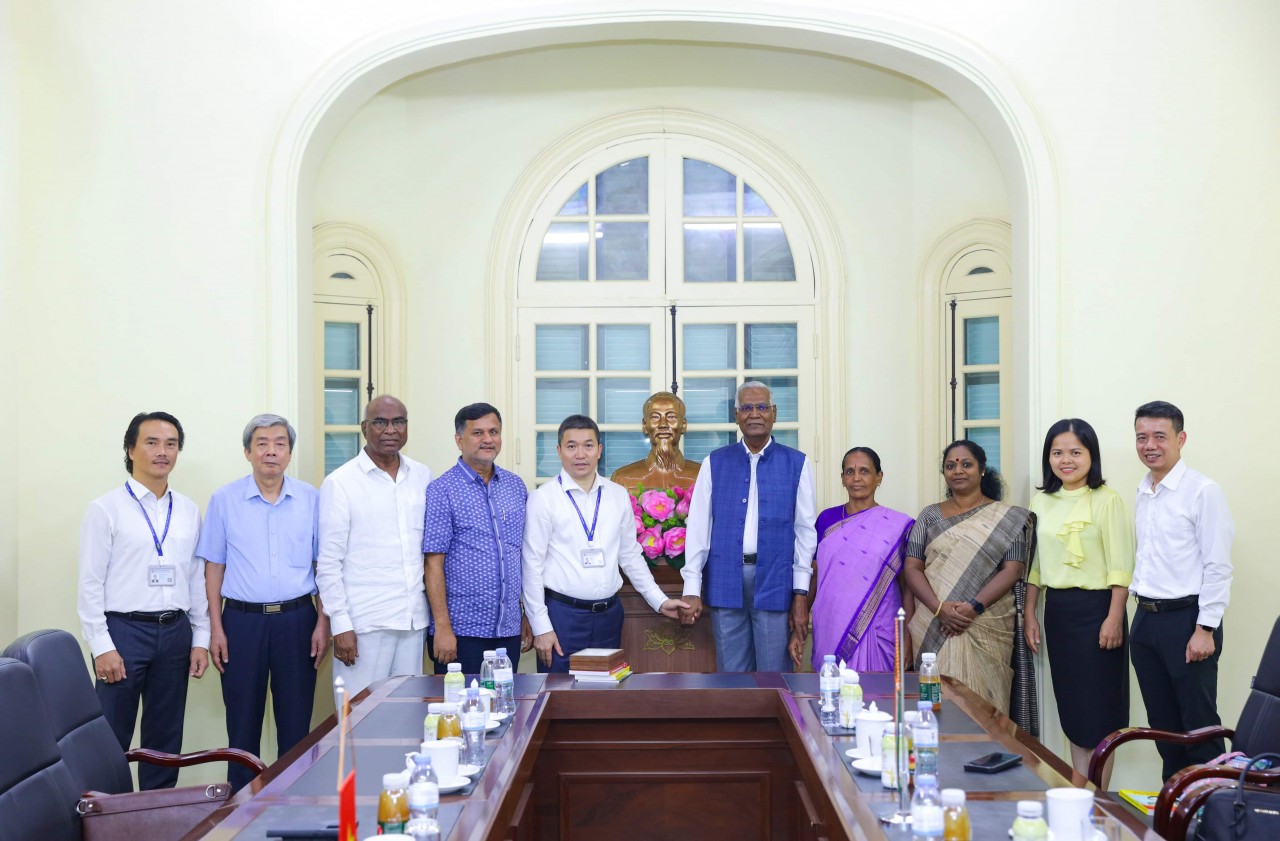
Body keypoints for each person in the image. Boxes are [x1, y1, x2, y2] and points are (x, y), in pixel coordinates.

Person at [76, 411, 209, 789]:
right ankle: (109, 816)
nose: (162, 451)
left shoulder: (187, 509)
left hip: (175, 632)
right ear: (131, 449)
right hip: (122, 632)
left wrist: (200, 638)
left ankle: (157, 816)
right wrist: (101, 646)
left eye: (171, 444)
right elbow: (89, 584)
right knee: (110, 737)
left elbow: (195, 578)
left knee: (165, 739)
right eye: (151, 442)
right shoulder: (106, 509)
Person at [197, 414, 327, 791]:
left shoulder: (311, 498)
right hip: (241, 623)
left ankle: (292, 811)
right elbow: (213, 568)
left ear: (289, 452)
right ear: (247, 452)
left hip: (298, 619)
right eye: (263, 443)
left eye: (280, 443)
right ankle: (240, 815)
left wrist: (323, 622)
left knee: (296, 724)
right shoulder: (224, 500)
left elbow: (323, 566)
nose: (271, 451)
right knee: (242, 725)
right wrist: (215, 628)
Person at [522, 415, 688, 672]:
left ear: (599, 450)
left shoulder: (617, 495)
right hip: (563, 617)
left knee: (604, 698)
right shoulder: (543, 499)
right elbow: (531, 565)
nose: (580, 454)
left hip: (610, 616)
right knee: (560, 698)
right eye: (571, 446)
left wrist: (659, 600)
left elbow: (630, 556)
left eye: (588, 445)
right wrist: (541, 626)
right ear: (559, 451)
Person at [1024, 419, 1134, 787]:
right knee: (1073, 710)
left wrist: (1114, 617)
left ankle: (1098, 803)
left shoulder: (1108, 500)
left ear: (1091, 455)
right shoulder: (1040, 501)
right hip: (1058, 613)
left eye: (1075, 452)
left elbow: (1121, 566)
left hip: (1100, 611)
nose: (1065, 460)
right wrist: (1029, 614)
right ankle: (1077, 793)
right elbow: (1035, 566)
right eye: (1058, 452)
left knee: (1100, 715)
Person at [1129, 400, 1234, 780]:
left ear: (1181, 438)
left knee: (1199, 726)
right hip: (1145, 622)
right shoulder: (1143, 491)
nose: (1150, 445)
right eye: (1142, 437)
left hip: (1189, 622)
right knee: (1164, 727)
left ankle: (1213, 815)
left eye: (1160, 436)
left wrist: (1205, 628)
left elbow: (1218, 565)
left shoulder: (1203, 491)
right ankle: (1175, 812)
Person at [681, 381, 816, 672]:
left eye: (762, 407)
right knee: (731, 676)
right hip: (725, 578)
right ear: (736, 415)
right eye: (747, 407)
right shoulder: (714, 463)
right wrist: (692, 586)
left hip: (774, 579)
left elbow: (805, 533)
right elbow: (699, 529)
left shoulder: (797, 463)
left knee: (773, 676)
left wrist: (800, 593)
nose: (754, 414)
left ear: (774, 413)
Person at [902, 439, 1032, 715]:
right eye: (951, 466)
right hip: (934, 621)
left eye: (966, 464)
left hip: (986, 622)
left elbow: (1013, 570)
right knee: (933, 704)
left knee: (986, 707)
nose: (958, 470)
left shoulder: (1007, 519)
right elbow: (912, 567)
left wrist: (973, 608)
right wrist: (940, 609)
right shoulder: (929, 516)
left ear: (982, 470)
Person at [315, 395, 432, 700]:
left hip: (412, 620)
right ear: (365, 427)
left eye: (399, 422)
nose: (390, 429)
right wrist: (340, 625)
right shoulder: (340, 483)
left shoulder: (422, 476)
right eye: (380, 422)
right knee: (358, 723)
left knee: (408, 717)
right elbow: (328, 563)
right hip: (363, 625)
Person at [423, 403, 532, 675]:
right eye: (478, 433)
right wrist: (443, 628)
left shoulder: (515, 485)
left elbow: (524, 556)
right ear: (459, 440)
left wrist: (526, 614)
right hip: (461, 632)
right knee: (462, 712)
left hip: (507, 629)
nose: (488, 439)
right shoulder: (442, 490)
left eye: (494, 431)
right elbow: (433, 564)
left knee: (505, 707)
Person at [790, 447, 914, 673]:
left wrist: (907, 633)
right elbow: (815, 575)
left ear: (879, 477)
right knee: (831, 697)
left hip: (879, 628)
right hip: (831, 626)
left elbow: (908, 586)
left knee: (879, 701)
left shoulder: (898, 526)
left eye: (865, 471)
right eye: (850, 471)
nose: (856, 478)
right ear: (842, 478)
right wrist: (798, 627)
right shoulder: (827, 520)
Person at [609, 391, 701, 493]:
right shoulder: (622, 478)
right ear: (645, 425)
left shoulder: (703, 475)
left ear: (683, 425)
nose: (663, 424)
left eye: (671, 417)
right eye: (655, 417)